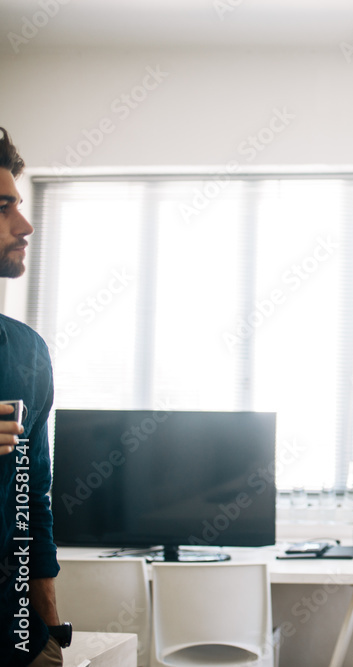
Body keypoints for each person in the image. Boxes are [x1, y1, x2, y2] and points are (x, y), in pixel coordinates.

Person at [0, 128, 67, 666]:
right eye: (4, 208)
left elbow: (30, 500)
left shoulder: (27, 352)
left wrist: (47, 625)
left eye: (18, 204)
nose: (25, 225)